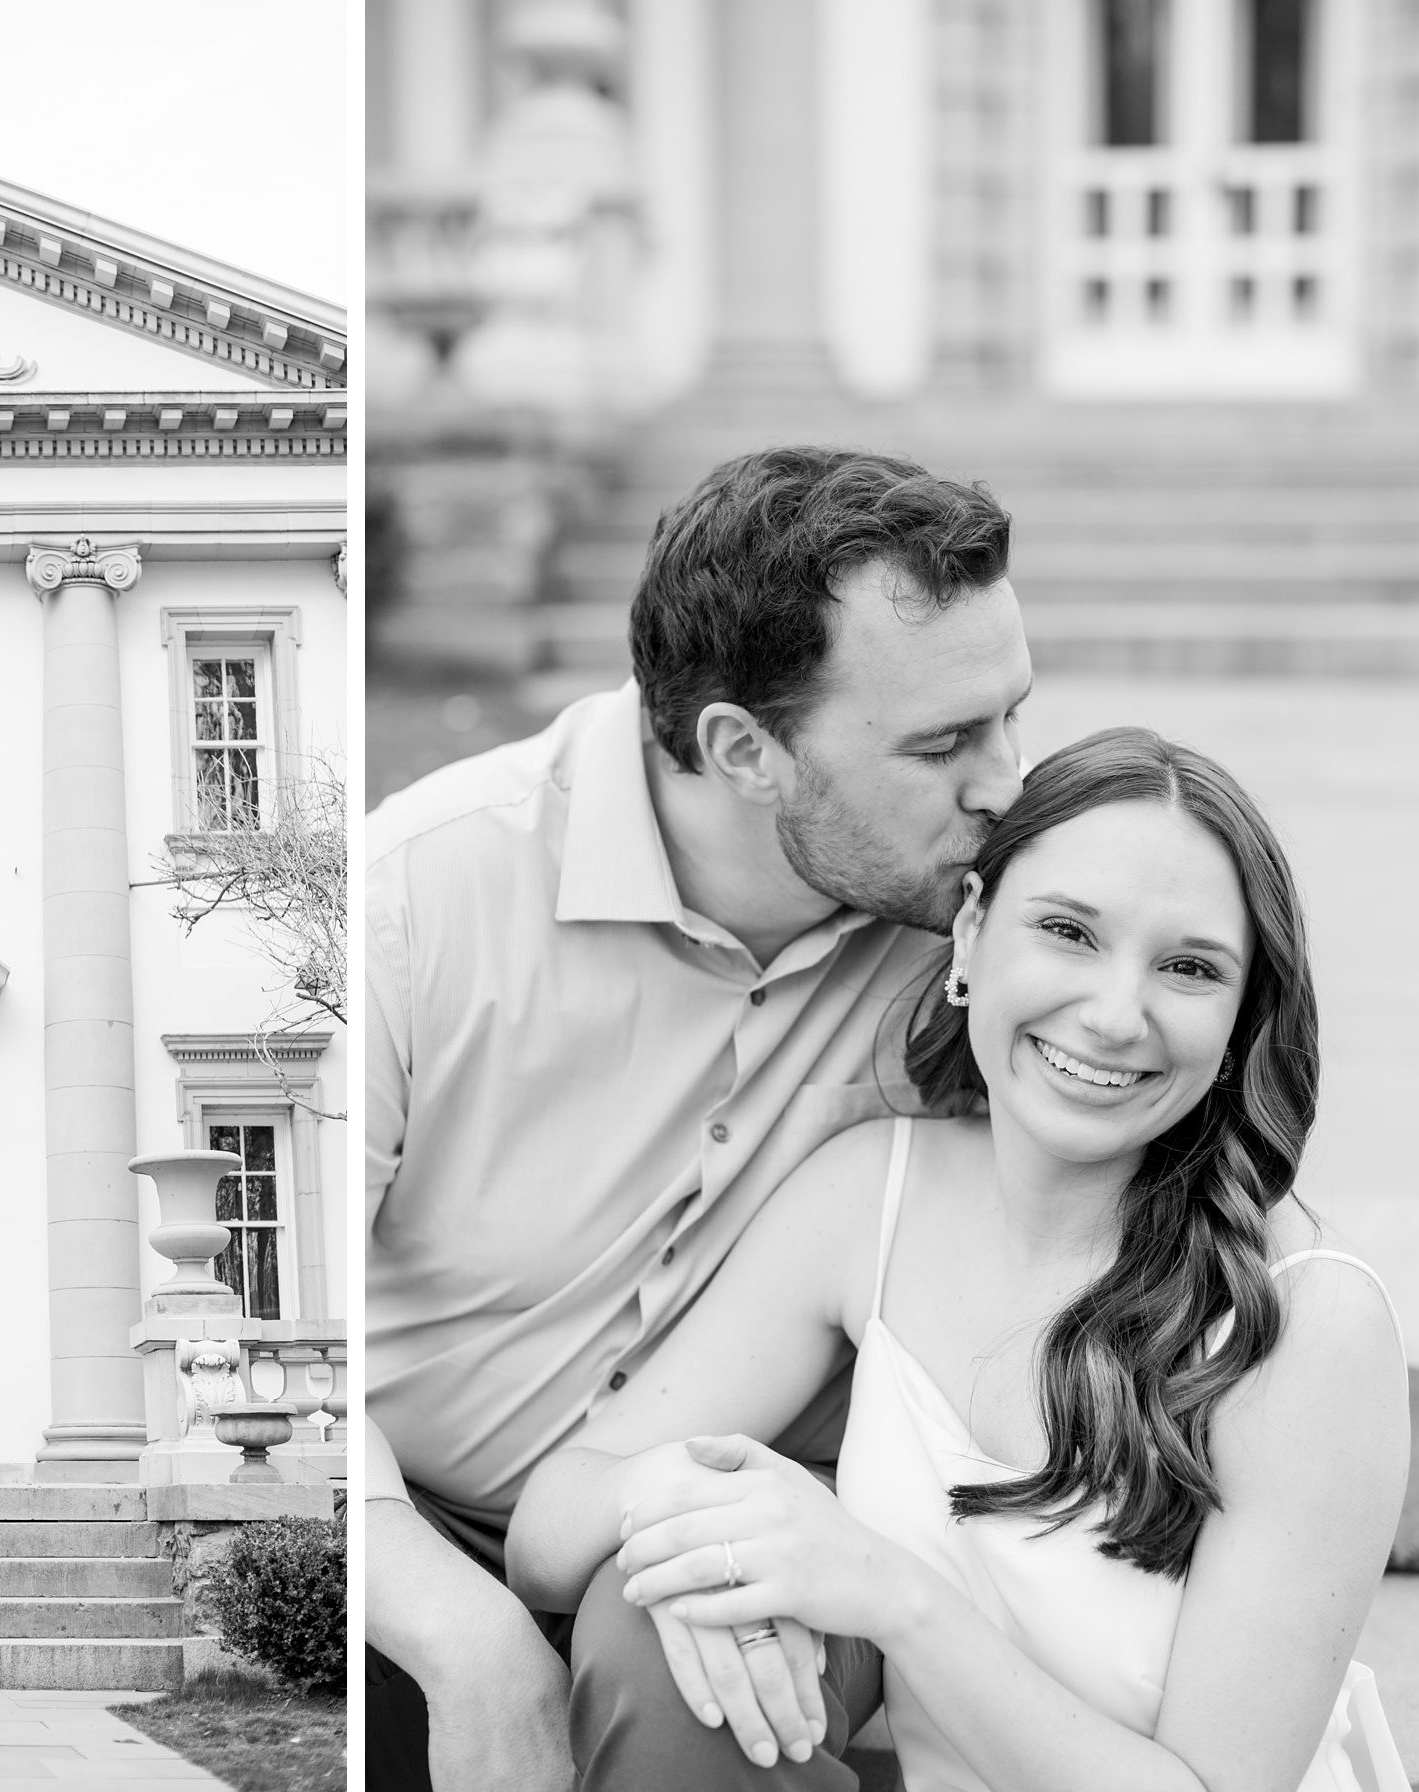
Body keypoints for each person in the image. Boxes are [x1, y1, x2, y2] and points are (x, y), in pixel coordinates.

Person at [504, 729, 1412, 1791]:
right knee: (662, 1599)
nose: (1117, 1015)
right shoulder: (872, 1194)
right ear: (973, 933)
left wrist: (888, 1594)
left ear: (1241, 1015)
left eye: (1188, 967)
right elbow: (551, 1522)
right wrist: (707, 1516)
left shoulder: (1307, 1326)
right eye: (1069, 931)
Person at [367, 445, 1033, 1787]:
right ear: (743, 751)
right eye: (944, 743)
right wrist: (464, 1635)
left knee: (703, 1660)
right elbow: (283, 1329)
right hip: (404, 1528)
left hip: (766, 1521)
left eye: (1012, 714)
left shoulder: (985, 909)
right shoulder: (417, 896)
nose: (1007, 784)